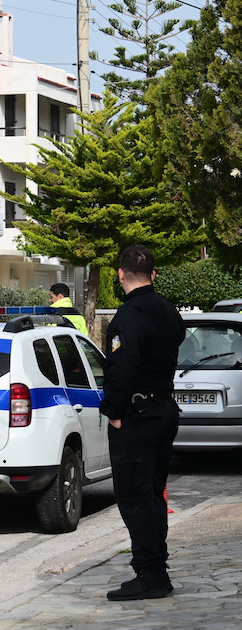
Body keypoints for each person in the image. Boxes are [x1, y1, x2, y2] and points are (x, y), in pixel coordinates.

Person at [101, 245, 185, 601]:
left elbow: (123, 367)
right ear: (153, 274)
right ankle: (156, 571)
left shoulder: (129, 315)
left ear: (121, 274)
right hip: (163, 409)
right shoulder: (168, 311)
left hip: (138, 416)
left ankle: (149, 574)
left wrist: (115, 412)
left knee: (136, 497)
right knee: (151, 495)